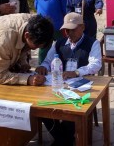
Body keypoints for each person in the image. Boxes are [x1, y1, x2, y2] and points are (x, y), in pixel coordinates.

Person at [36, 12, 101, 146]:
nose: (69, 33)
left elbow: (95, 65)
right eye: (66, 30)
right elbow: (48, 60)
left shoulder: (92, 43)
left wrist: (77, 72)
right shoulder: (59, 43)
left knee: (72, 111)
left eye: (72, 29)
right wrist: (43, 66)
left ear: (82, 27)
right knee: (42, 109)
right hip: (58, 85)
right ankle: (64, 140)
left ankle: (61, 141)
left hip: (80, 87)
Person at [34, 0, 67, 64]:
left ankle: (41, 67)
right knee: (62, 46)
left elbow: (36, 7)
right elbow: (65, 10)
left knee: (43, 47)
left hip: (42, 25)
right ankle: (63, 66)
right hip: (57, 26)